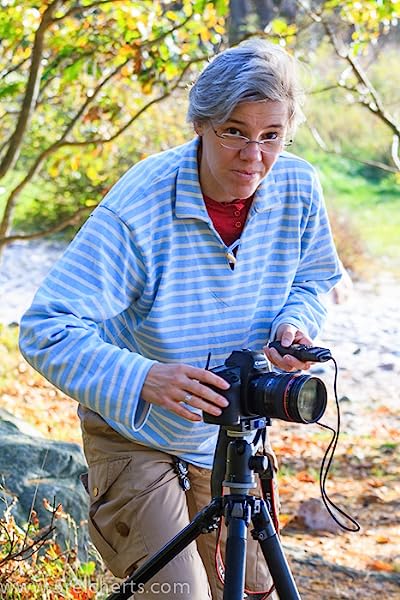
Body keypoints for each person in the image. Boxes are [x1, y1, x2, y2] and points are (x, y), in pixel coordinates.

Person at [19, 38, 341, 599]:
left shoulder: (298, 185)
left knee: (251, 592)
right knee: (179, 596)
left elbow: (313, 280)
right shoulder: (140, 206)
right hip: (136, 433)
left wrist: (292, 323)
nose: (253, 156)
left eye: (272, 137)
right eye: (235, 132)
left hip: (233, 436)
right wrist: (146, 377)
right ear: (201, 123)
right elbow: (46, 327)